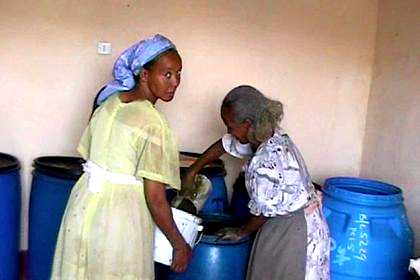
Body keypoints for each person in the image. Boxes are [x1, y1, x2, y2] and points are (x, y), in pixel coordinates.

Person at [52, 34, 192, 279]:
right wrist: (179, 244)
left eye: (178, 74)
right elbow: (156, 198)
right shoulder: (154, 123)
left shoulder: (108, 103)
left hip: (82, 206)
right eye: (167, 74)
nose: (175, 82)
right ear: (144, 75)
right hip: (119, 218)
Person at [183, 85, 330, 279]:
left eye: (230, 126)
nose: (229, 131)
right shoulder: (267, 136)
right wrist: (194, 169)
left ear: (247, 123)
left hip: (292, 230)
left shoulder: (266, 160)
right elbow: (225, 144)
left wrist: (241, 232)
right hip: (289, 221)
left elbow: (262, 212)